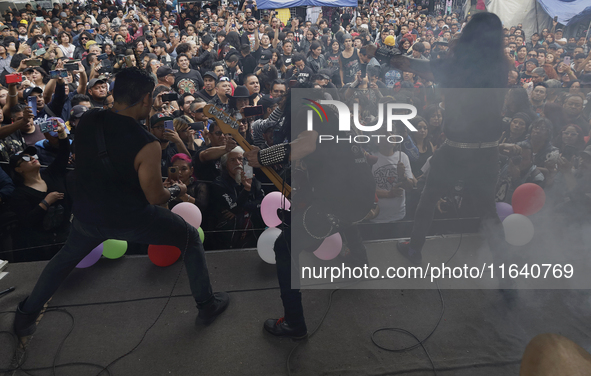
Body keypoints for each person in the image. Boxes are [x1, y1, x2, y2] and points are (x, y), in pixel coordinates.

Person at [13, 68, 229, 338]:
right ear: (148, 99)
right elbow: (155, 197)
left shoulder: (89, 118)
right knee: (190, 239)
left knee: (64, 260)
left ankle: (25, 315)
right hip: (130, 219)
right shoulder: (146, 143)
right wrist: (174, 191)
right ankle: (206, 305)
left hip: (87, 215)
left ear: (115, 93)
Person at [391, 13, 510, 266]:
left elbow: (407, 64)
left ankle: (414, 248)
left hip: (456, 149)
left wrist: (383, 53)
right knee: (489, 211)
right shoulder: (501, 66)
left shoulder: (457, 66)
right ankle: (507, 277)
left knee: (429, 196)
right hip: (488, 150)